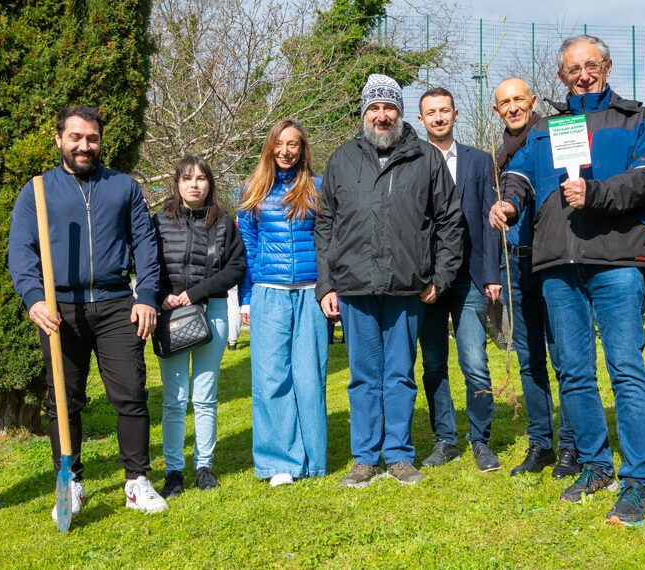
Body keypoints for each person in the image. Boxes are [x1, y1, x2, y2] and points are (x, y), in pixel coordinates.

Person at [490, 35, 645, 525]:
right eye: (573, 69)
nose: (583, 74)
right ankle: (596, 465)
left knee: (626, 368)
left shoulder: (634, 119)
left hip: (616, 262)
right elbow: (519, 177)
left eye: (591, 65)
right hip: (558, 266)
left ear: (606, 67)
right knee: (574, 373)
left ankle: (639, 480)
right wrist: (508, 202)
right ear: (562, 76)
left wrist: (599, 192)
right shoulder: (546, 128)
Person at [8, 105, 167, 520]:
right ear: (58, 139)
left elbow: (146, 245)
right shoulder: (38, 190)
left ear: (100, 141)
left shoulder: (123, 187)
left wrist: (146, 295)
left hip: (117, 304)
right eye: (75, 137)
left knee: (130, 395)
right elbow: (21, 251)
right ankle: (71, 481)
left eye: (91, 138)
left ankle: (136, 481)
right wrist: (33, 297)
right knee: (64, 401)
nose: (84, 145)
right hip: (60, 309)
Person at [316, 74, 463, 487]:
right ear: (364, 113)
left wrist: (441, 275)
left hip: (406, 286)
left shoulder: (426, 159)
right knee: (363, 375)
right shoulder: (342, 159)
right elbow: (325, 224)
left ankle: (398, 455)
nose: (382, 116)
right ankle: (364, 457)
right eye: (374, 109)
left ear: (400, 112)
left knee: (399, 373)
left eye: (389, 108)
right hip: (355, 287)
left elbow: (450, 221)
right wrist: (326, 284)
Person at [491, 77, 579, 479]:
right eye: (504, 103)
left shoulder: (554, 138)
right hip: (515, 265)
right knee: (530, 361)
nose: (512, 108)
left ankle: (572, 444)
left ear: (533, 101)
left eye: (518, 100)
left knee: (565, 357)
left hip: (554, 262)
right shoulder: (497, 157)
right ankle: (540, 443)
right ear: (497, 110)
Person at [414, 87, 502, 472]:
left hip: (468, 279)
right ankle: (445, 438)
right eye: (430, 112)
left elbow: (490, 221)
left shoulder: (481, 162)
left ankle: (480, 440)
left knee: (474, 361)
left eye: (444, 111)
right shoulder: (410, 162)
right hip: (425, 280)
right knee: (433, 362)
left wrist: (492, 275)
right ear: (420, 120)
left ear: (455, 114)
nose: (438, 117)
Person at [238, 119, 329, 487]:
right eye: (279, 144)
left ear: (302, 148)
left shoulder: (319, 187)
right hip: (269, 293)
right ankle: (280, 463)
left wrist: (328, 289)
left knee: (310, 378)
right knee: (272, 378)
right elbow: (247, 249)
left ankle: (312, 459)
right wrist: (245, 300)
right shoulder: (252, 189)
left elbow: (328, 242)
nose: (285, 151)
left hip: (310, 293)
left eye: (293, 144)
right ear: (269, 147)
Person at [153, 154, 245, 498]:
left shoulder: (223, 222)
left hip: (212, 313)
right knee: (174, 400)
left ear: (210, 184)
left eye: (201, 178)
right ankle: (173, 471)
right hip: (170, 316)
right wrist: (162, 296)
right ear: (177, 184)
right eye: (187, 178)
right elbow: (147, 265)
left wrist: (195, 293)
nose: (194, 184)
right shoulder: (158, 221)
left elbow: (235, 269)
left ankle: (204, 466)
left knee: (205, 397)